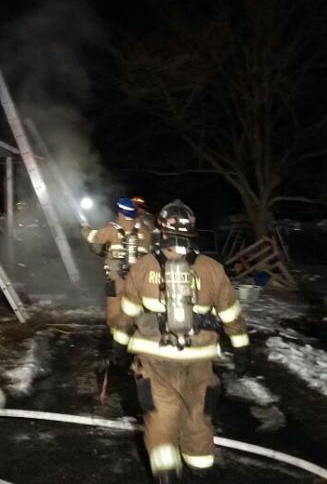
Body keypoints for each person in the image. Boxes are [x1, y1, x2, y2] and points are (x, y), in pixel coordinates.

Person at [108, 199, 251, 482]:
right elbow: (231, 315)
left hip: (155, 358)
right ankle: (201, 468)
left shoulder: (143, 266)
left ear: (161, 229)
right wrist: (242, 349)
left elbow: (126, 314)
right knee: (198, 414)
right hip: (199, 358)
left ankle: (166, 475)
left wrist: (118, 348)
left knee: (161, 417)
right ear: (193, 230)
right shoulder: (212, 268)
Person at [82, 197, 151, 327]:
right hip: (139, 277)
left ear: (120, 213)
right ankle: (135, 329)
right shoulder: (145, 230)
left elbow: (94, 238)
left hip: (116, 277)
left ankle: (117, 331)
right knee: (135, 306)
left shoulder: (112, 228)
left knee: (114, 307)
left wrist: (85, 228)